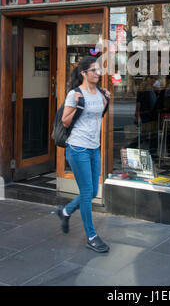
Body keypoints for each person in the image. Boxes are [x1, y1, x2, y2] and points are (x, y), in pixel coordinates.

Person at [56, 55, 110, 254]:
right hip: (77, 148)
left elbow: (98, 117)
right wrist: (78, 105)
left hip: (94, 148)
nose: (98, 73)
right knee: (87, 193)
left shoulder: (101, 94)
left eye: (99, 70)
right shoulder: (75, 94)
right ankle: (91, 236)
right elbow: (65, 122)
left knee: (93, 192)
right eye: (94, 70)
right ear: (84, 73)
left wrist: (107, 100)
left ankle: (65, 211)